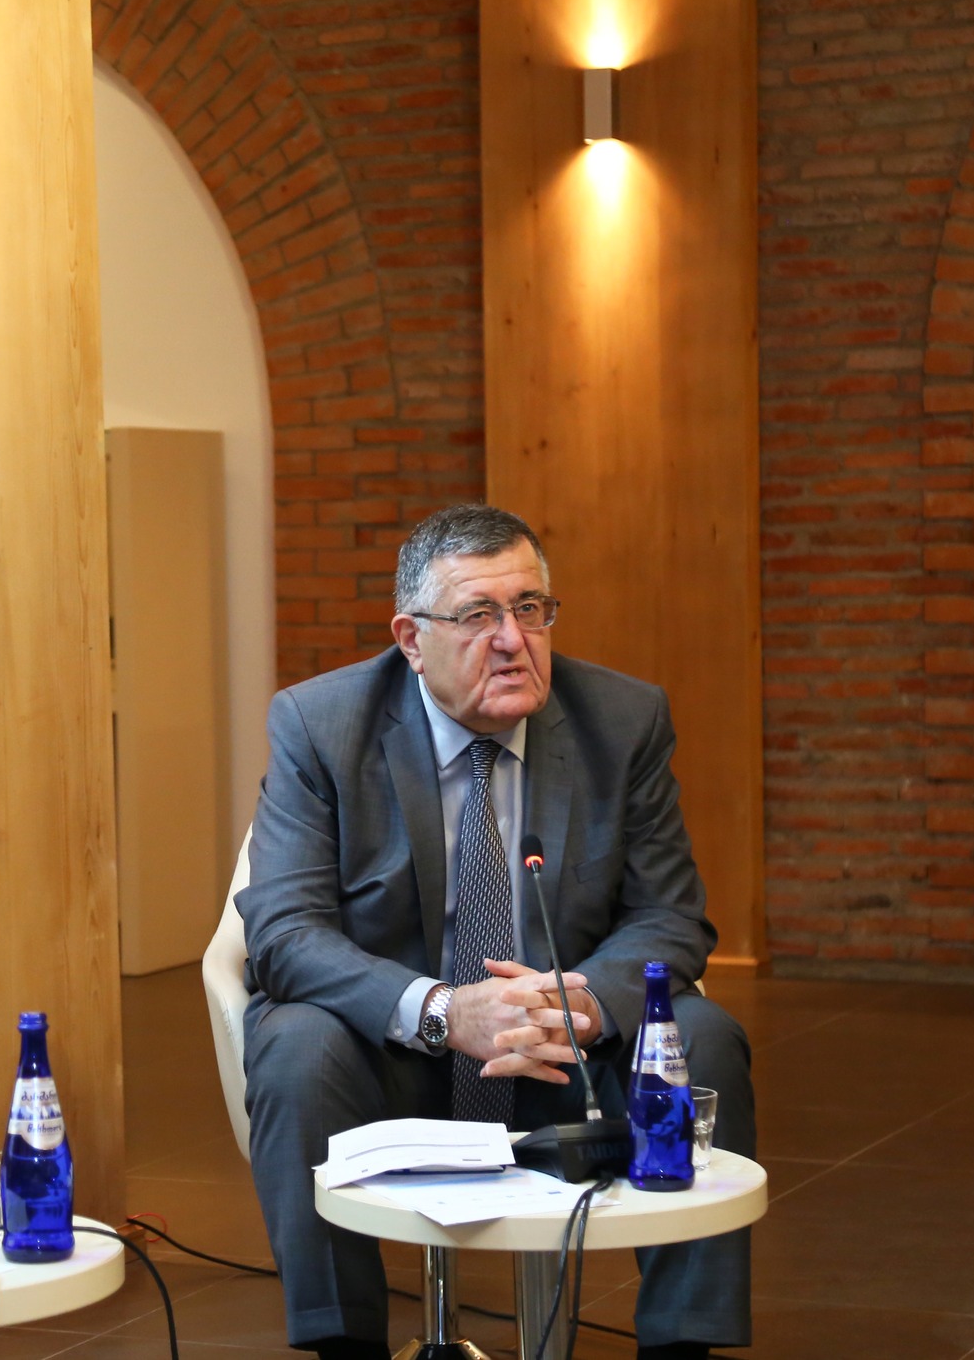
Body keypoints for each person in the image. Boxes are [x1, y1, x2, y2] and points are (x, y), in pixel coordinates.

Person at [238, 504, 753, 1360]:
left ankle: (681, 1347)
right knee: (296, 1044)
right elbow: (285, 932)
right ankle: (344, 1346)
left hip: (565, 1058)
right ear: (411, 638)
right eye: (479, 614)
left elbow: (669, 915)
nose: (514, 640)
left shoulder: (622, 720)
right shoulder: (321, 725)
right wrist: (445, 1010)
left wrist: (582, 1003)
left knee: (702, 1034)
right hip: (394, 1063)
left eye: (531, 608)